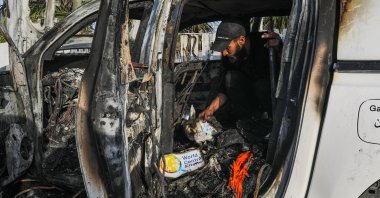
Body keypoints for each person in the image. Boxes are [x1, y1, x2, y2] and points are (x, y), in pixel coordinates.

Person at [198, 20, 282, 123]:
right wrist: (210, 110)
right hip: (250, 97)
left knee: (261, 86)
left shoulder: (266, 43)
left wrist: (280, 49)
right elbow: (224, 90)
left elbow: (287, 72)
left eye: (227, 48)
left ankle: (272, 121)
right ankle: (248, 121)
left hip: (272, 96)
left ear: (241, 40)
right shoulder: (228, 56)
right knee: (230, 77)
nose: (224, 53)